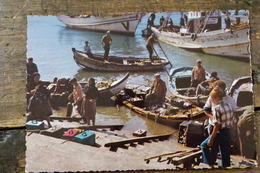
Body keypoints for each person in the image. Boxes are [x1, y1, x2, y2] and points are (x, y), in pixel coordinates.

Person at [202, 80, 237, 168]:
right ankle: (225, 168)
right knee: (225, 153)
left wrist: (212, 138)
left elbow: (217, 125)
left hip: (218, 131)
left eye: (212, 99)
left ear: (217, 97)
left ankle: (211, 166)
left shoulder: (218, 107)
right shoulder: (228, 105)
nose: (211, 100)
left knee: (205, 145)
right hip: (226, 131)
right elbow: (233, 120)